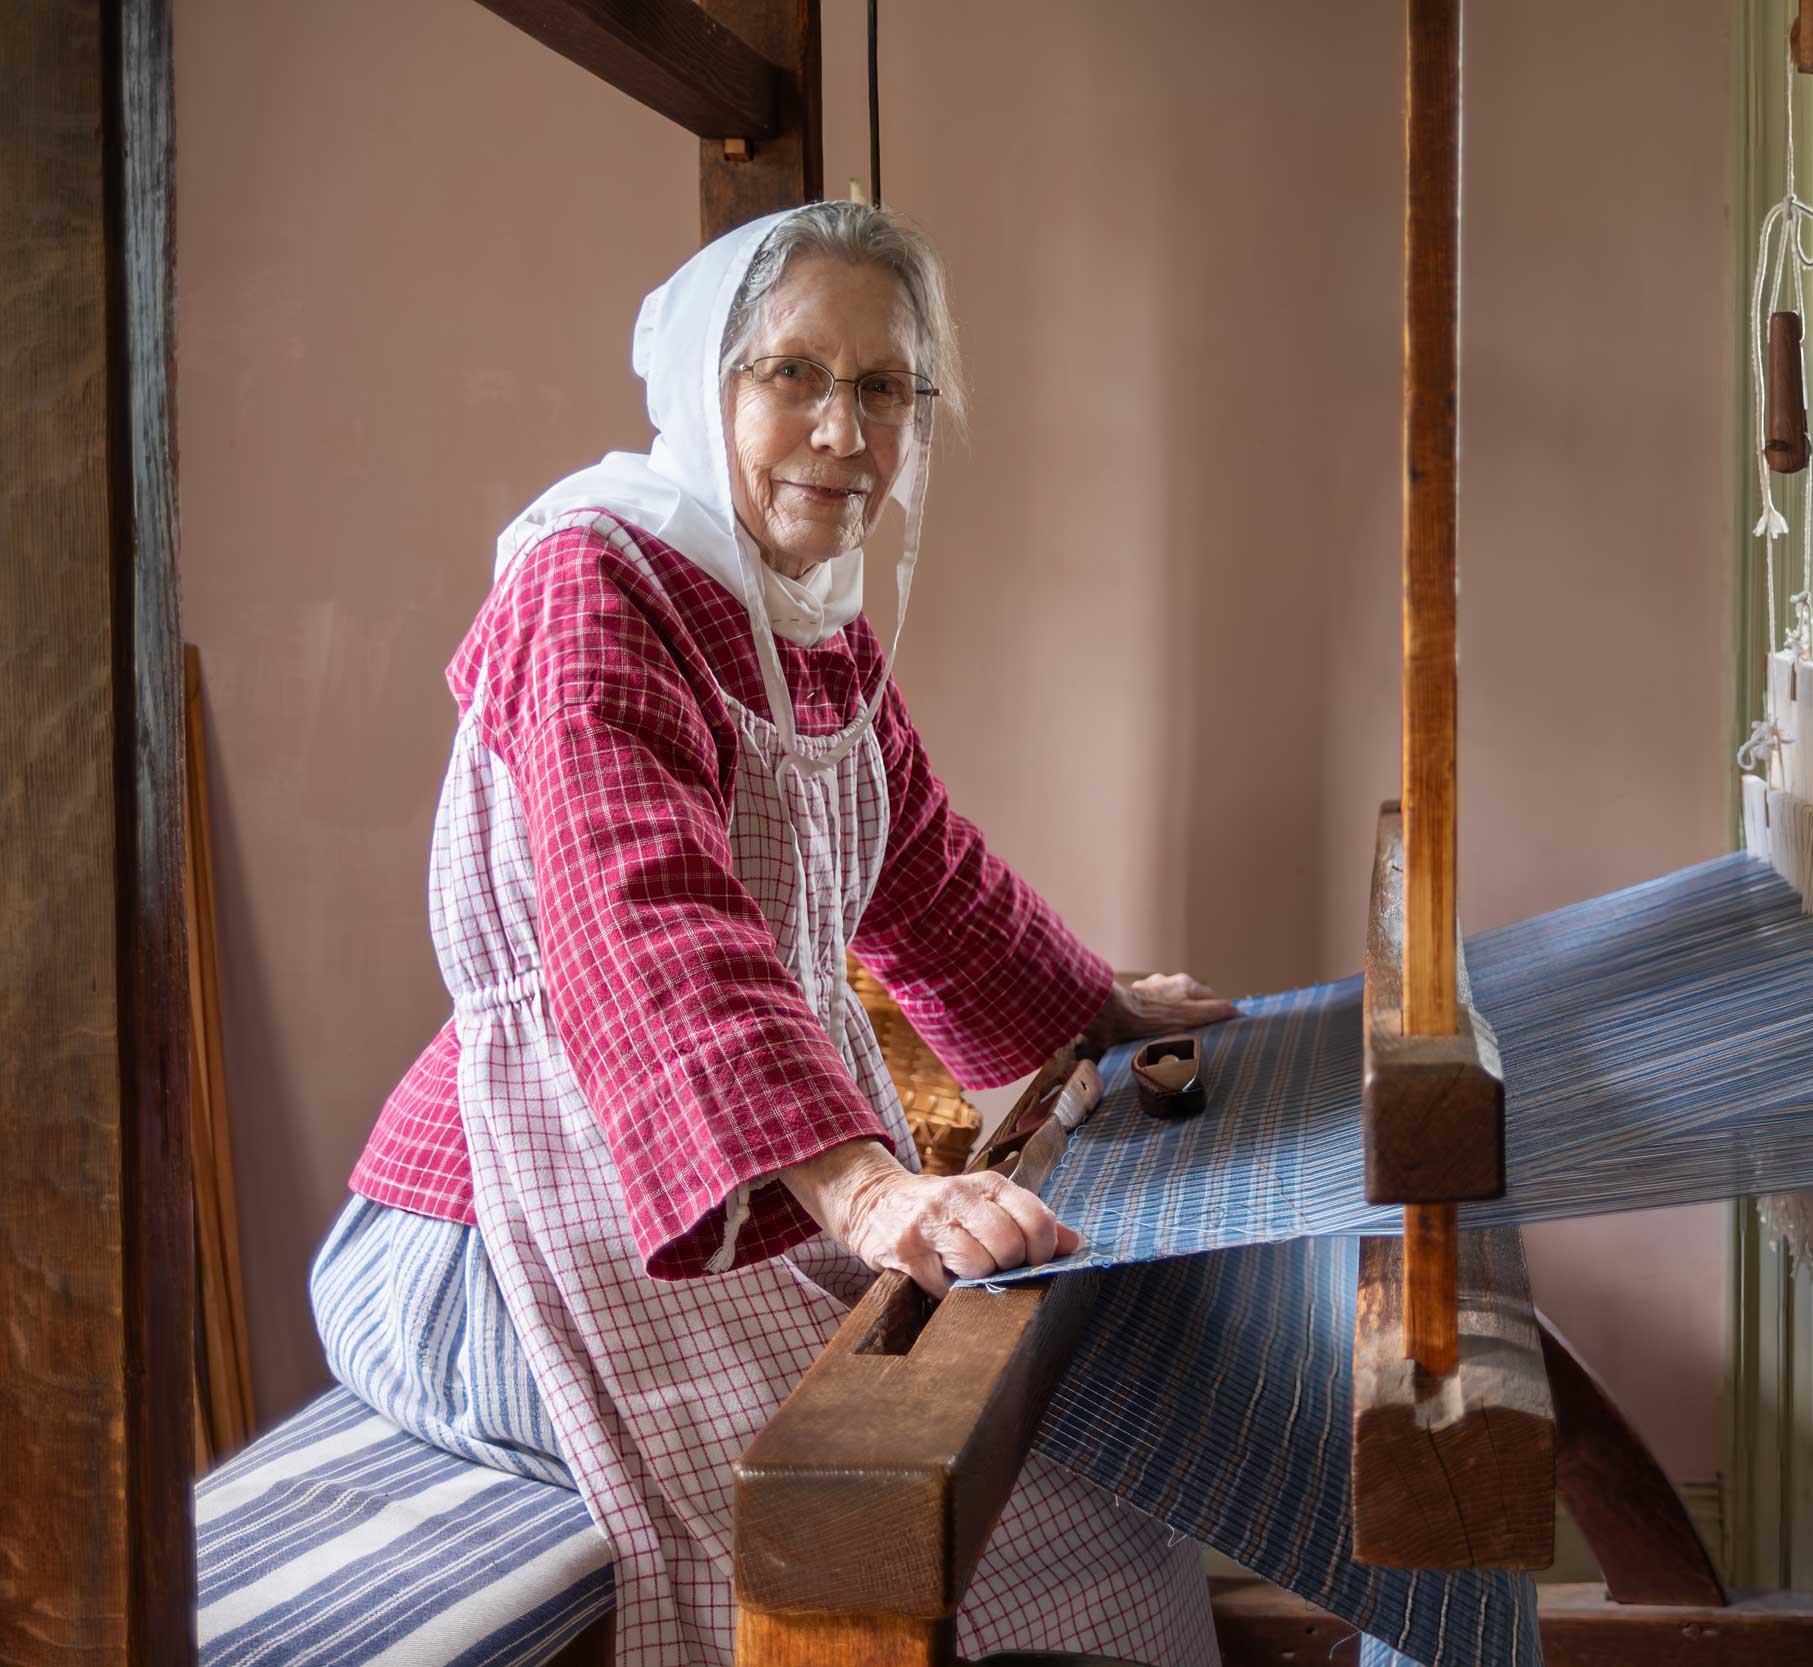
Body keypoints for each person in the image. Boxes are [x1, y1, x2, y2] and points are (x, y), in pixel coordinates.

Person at [314, 201, 1238, 1665]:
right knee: (991, 1530)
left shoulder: (812, 626)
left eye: (885, 388)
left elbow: (924, 867)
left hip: (738, 1188)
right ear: (706, 382)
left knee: (1084, 1480)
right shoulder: (589, 581)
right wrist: (872, 1198)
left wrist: (1091, 1007)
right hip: (503, 1235)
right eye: (793, 374)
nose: (842, 429)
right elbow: (646, 914)